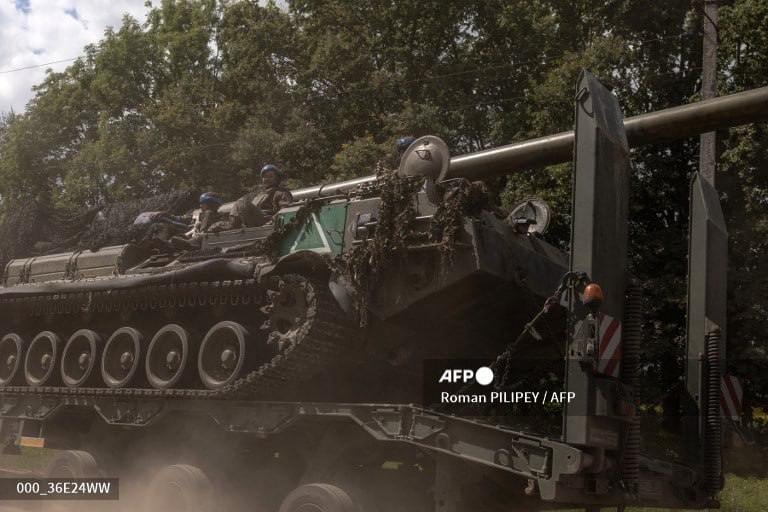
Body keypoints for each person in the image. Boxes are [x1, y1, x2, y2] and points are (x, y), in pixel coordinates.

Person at [210, 165, 293, 231]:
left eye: (270, 176)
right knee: (239, 202)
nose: (267, 179)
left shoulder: (282, 193)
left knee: (242, 203)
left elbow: (284, 211)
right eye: (265, 177)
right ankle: (232, 225)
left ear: (277, 178)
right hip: (255, 222)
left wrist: (271, 222)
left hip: (268, 221)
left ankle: (233, 226)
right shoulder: (259, 194)